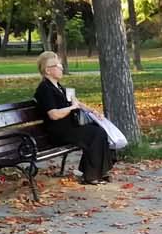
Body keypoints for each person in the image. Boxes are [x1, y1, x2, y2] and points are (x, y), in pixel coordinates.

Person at [32, 51, 115, 184]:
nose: (61, 67)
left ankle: (95, 172)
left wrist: (93, 111)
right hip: (58, 132)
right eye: (57, 65)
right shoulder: (44, 89)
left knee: (98, 129)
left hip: (69, 127)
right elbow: (53, 114)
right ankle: (91, 175)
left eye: (60, 64)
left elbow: (77, 102)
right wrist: (72, 108)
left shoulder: (58, 87)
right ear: (48, 70)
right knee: (95, 133)